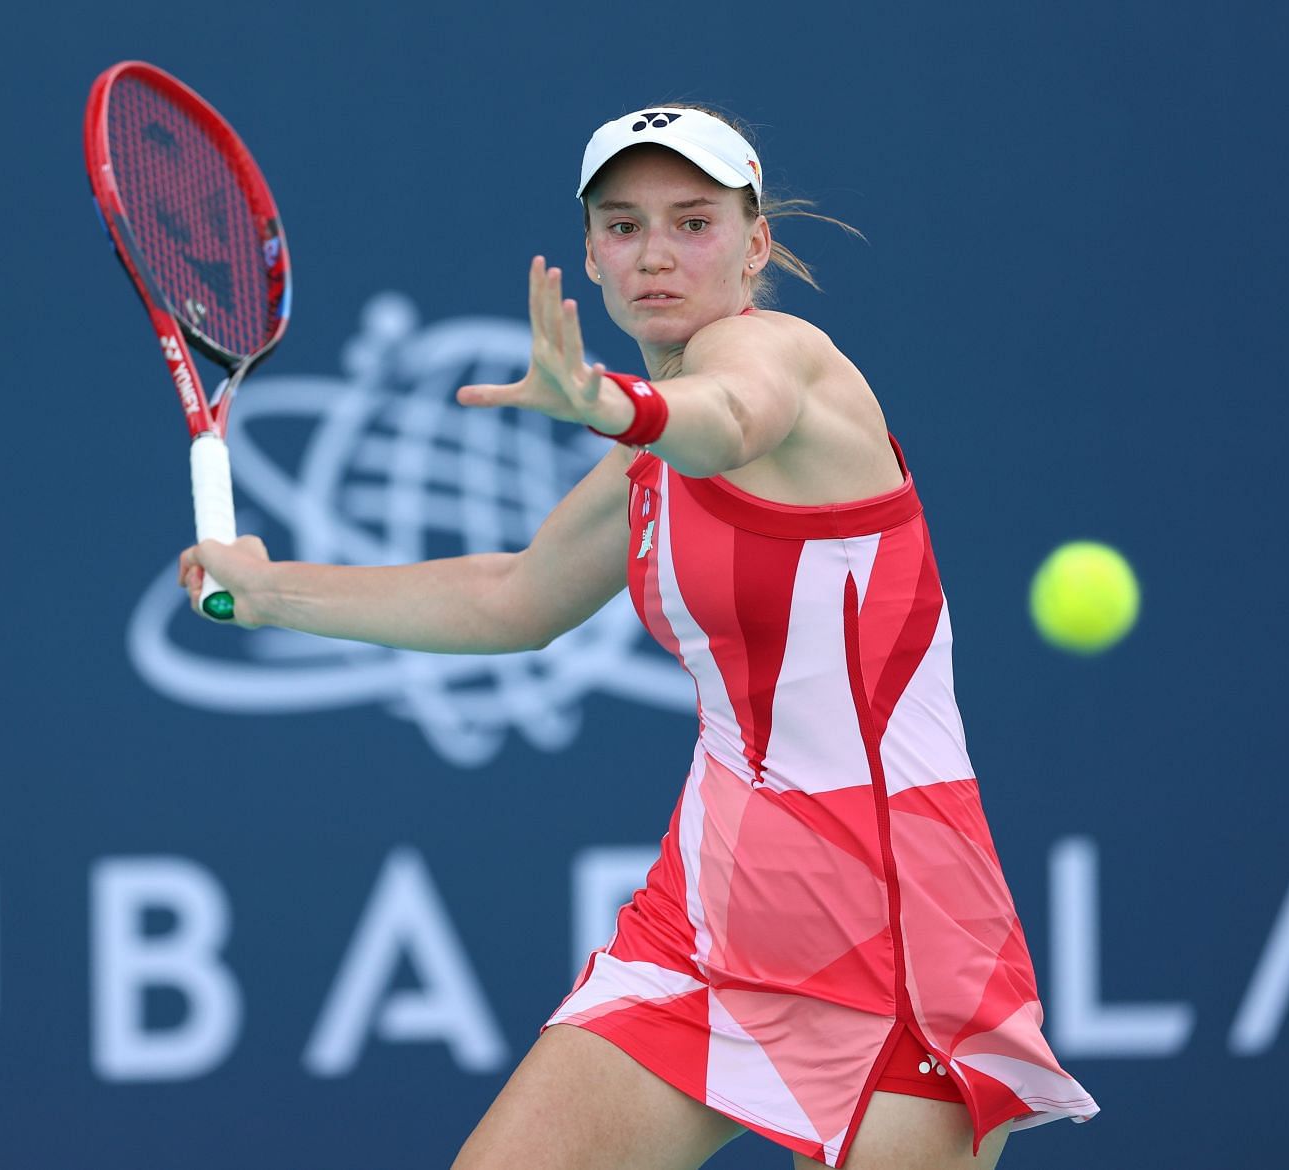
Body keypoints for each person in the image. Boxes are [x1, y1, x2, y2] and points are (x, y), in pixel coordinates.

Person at [178, 106, 1098, 1169]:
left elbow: (734, 416)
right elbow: (513, 599)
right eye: (622, 226)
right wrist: (272, 591)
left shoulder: (780, 360)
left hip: (893, 932)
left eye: (693, 222)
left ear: (755, 243)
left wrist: (619, 406)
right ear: (590, 253)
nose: (655, 254)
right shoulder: (646, 457)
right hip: (708, 925)